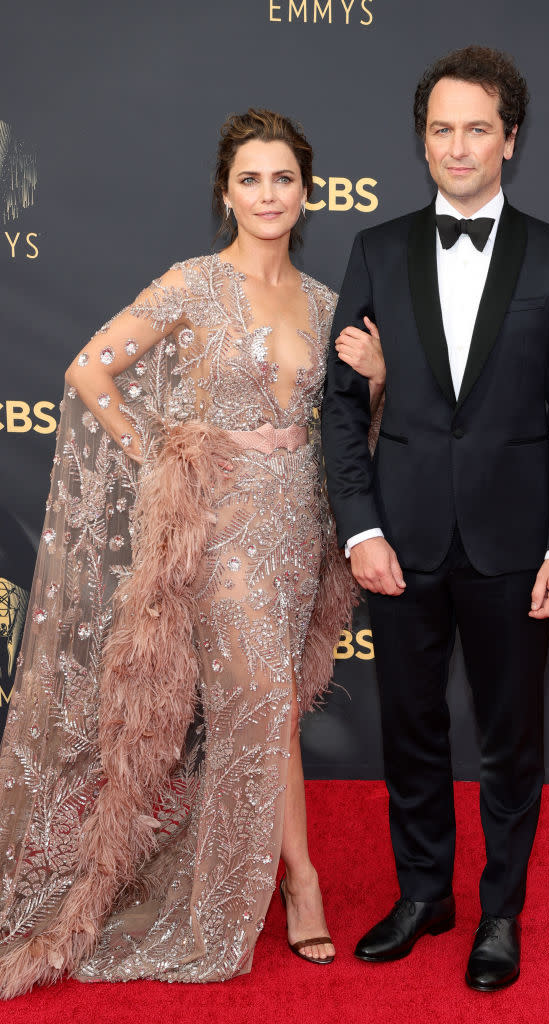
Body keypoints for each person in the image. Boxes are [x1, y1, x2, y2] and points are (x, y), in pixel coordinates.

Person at [0, 108, 385, 996]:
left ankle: (292, 876)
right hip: (219, 529)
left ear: (306, 192)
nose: (266, 194)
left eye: (282, 178)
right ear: (226, 192)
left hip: (301, 525)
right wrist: (162, 456)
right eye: (249, 179)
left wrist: (376, 379)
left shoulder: (328, 303)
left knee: (277, 702)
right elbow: (89, 368)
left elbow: (348, 430)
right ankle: (299, 883)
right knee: (259, 694)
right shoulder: (191, 283)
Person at [323, 46, 549, 991]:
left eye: (476, 127)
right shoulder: (377, 247)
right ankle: (423, 893)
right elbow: (334, 403)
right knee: (408, 727)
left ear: (509, 140)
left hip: (514, 546)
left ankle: (499, 913)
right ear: (422, 139)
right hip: (397, 538)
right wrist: (358, 527)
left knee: (511, 735)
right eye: (440, 128)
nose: (456, 145)